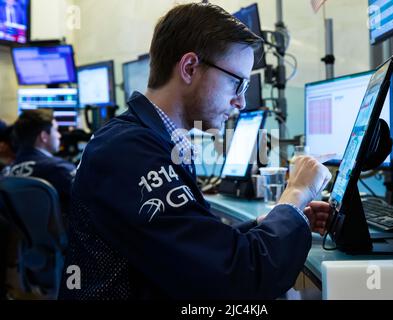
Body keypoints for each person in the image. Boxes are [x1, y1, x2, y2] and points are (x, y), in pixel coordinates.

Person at [59, 3, 332, 300]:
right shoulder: (129, 151)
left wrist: (270, 223)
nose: (241, 102)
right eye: (237, 83)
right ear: (190, 68)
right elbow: (239, 277)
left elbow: (190, 245)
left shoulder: (147, 140)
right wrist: (297, 192)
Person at [3, 110, 76, 221]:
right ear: (44, 136)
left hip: (19, 238)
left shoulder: (5, 174)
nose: (59, 135)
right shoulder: (60, 169)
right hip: (61, 236)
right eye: (56, 130)